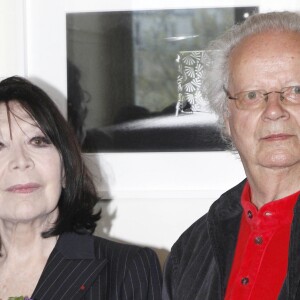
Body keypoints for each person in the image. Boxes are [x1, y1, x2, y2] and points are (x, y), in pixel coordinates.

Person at [162, 11, 300, 300]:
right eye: (251, 95)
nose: (274, 109)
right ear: (227, 117)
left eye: (295, 91)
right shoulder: (192, 249)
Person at [0, 76, 162, 299]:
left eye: (37, 141)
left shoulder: (126, 268)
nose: (20, 160)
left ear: (65, 168)